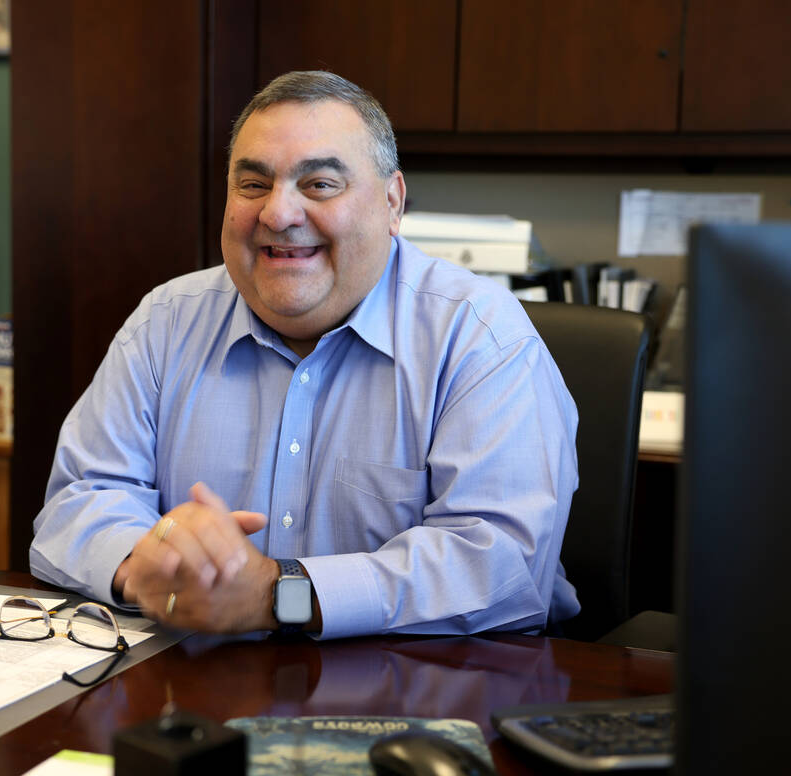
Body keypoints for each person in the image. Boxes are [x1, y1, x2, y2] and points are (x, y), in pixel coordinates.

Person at [30, 70, 580, 639]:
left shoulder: (480, 337)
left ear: (392, 203)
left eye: (319, 184)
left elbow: (501, 569)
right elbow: (79, 500)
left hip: (427, 694)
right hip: (197, 688)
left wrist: (278, 595)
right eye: (252, 185)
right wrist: (148, 566)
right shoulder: (166, 321)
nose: (278, 214)